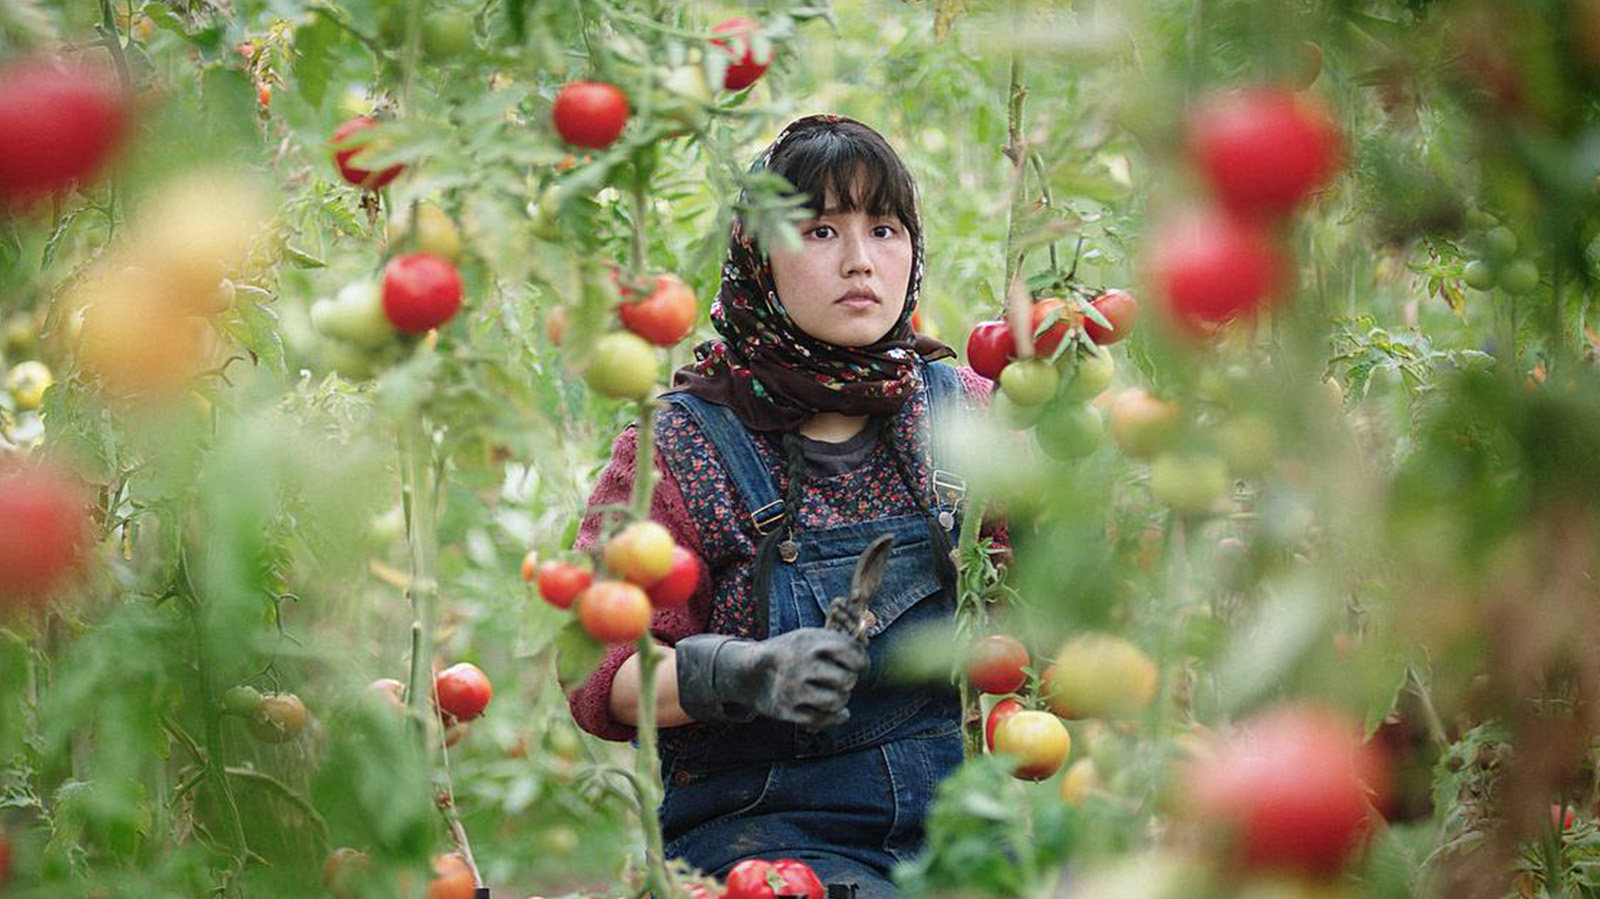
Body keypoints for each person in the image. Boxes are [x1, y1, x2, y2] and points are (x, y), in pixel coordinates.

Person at [567, 114, 1003, 899]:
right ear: (756, 258)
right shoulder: (678, 446)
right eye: (820, 230)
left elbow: (1056, 598)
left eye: (884, 227)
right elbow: (598, 678)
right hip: (765, 836)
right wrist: (742, 669)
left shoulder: (965, 411)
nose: (862, 261)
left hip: (962, 824)